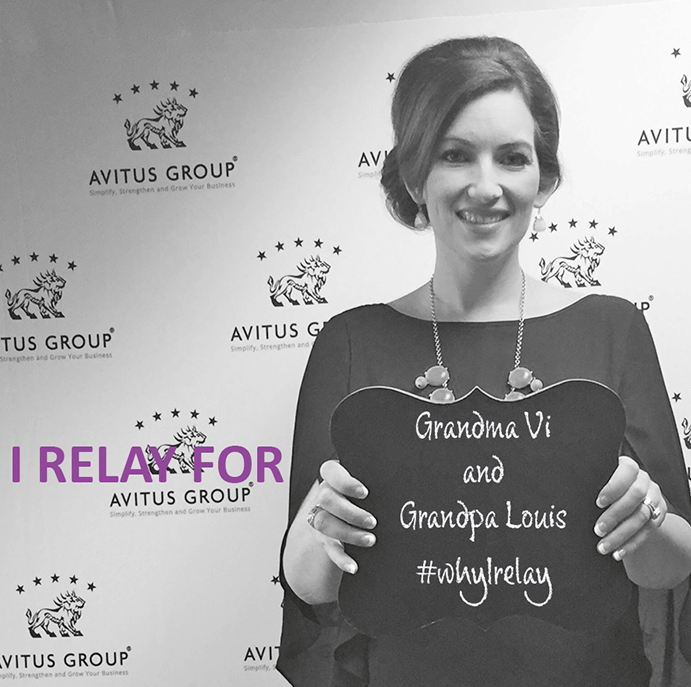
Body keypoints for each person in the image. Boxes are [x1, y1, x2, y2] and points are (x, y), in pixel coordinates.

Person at [277, 36, 691, 686]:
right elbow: (311, 587)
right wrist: (322, 529)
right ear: (414, 175)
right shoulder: (350, 342)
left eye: (512, 157)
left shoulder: (612, 329)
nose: (485, 185)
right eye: (455, 154)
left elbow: (670, 566)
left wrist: (644, 519)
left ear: (543, 179)